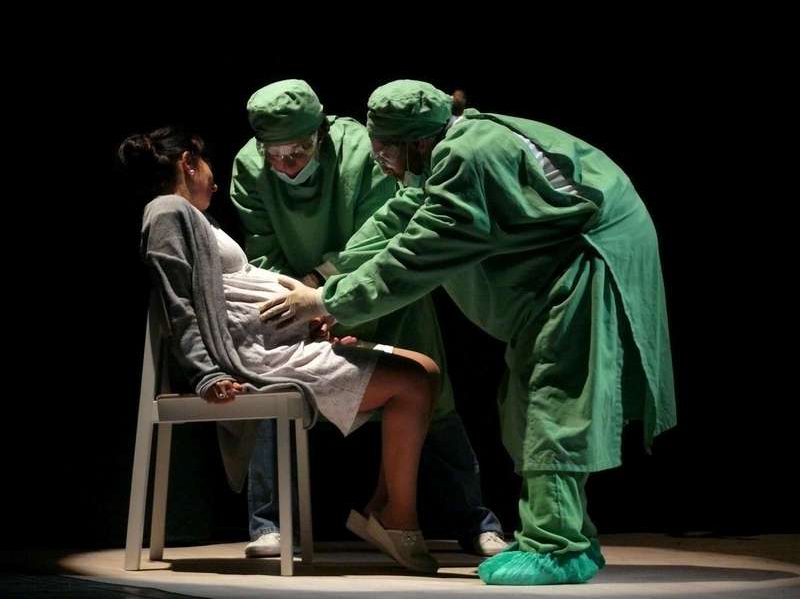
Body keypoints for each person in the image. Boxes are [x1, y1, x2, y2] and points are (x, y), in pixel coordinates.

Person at [260, 80, 677, 585]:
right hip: (556, 266)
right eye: (376, 149)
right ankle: (566, 533)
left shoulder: (468, 155)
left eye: (387, 151)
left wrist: (329, 302)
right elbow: (398, 218)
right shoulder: (447, 149)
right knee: (525, 399)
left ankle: (558, 546)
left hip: (585, 261)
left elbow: (417, 254)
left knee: (552, 399)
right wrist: (322, 280)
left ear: (417, 141)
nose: (383, 162)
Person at [119, 126, 441, 573]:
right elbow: (178, 302)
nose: (216, 181)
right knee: (413, 382)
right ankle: (398, 518)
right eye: (206, 164)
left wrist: (307, 326)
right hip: (259, 358)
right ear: (188, 162)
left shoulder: (195, 217)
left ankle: (383, 508)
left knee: (424, 367)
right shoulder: (166, 211)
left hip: (280, 345)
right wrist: (206, 373)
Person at [230, 79, 505, 558]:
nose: (286, 164)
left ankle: (474, 521)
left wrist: (325, 294)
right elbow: (262, 251)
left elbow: (384, 235)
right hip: (299, 299)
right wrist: (302, 308)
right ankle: (267, 523)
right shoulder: (249, 168)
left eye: (297, 152)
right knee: (270, 389)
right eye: (274, 155)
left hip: (383, 289)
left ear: (321, 132)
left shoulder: (363, 150)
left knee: (433, 396)